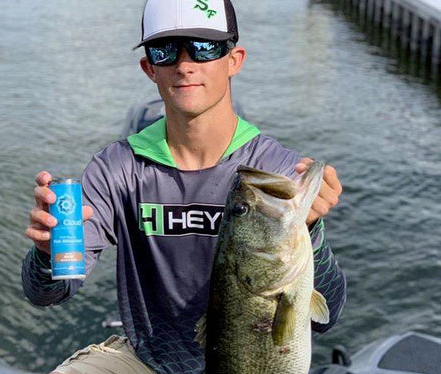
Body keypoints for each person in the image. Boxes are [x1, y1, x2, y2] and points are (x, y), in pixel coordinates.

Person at [22, 0, 346, 373]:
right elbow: (47, 293)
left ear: (234, 59)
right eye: (165, 51)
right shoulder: (117, 169)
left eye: (204, 46)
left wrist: (311, 229)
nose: (184, 64)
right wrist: (48, 255)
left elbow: (327, 315)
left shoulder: (275, 174)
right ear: (149, 68)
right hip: (147, 361)